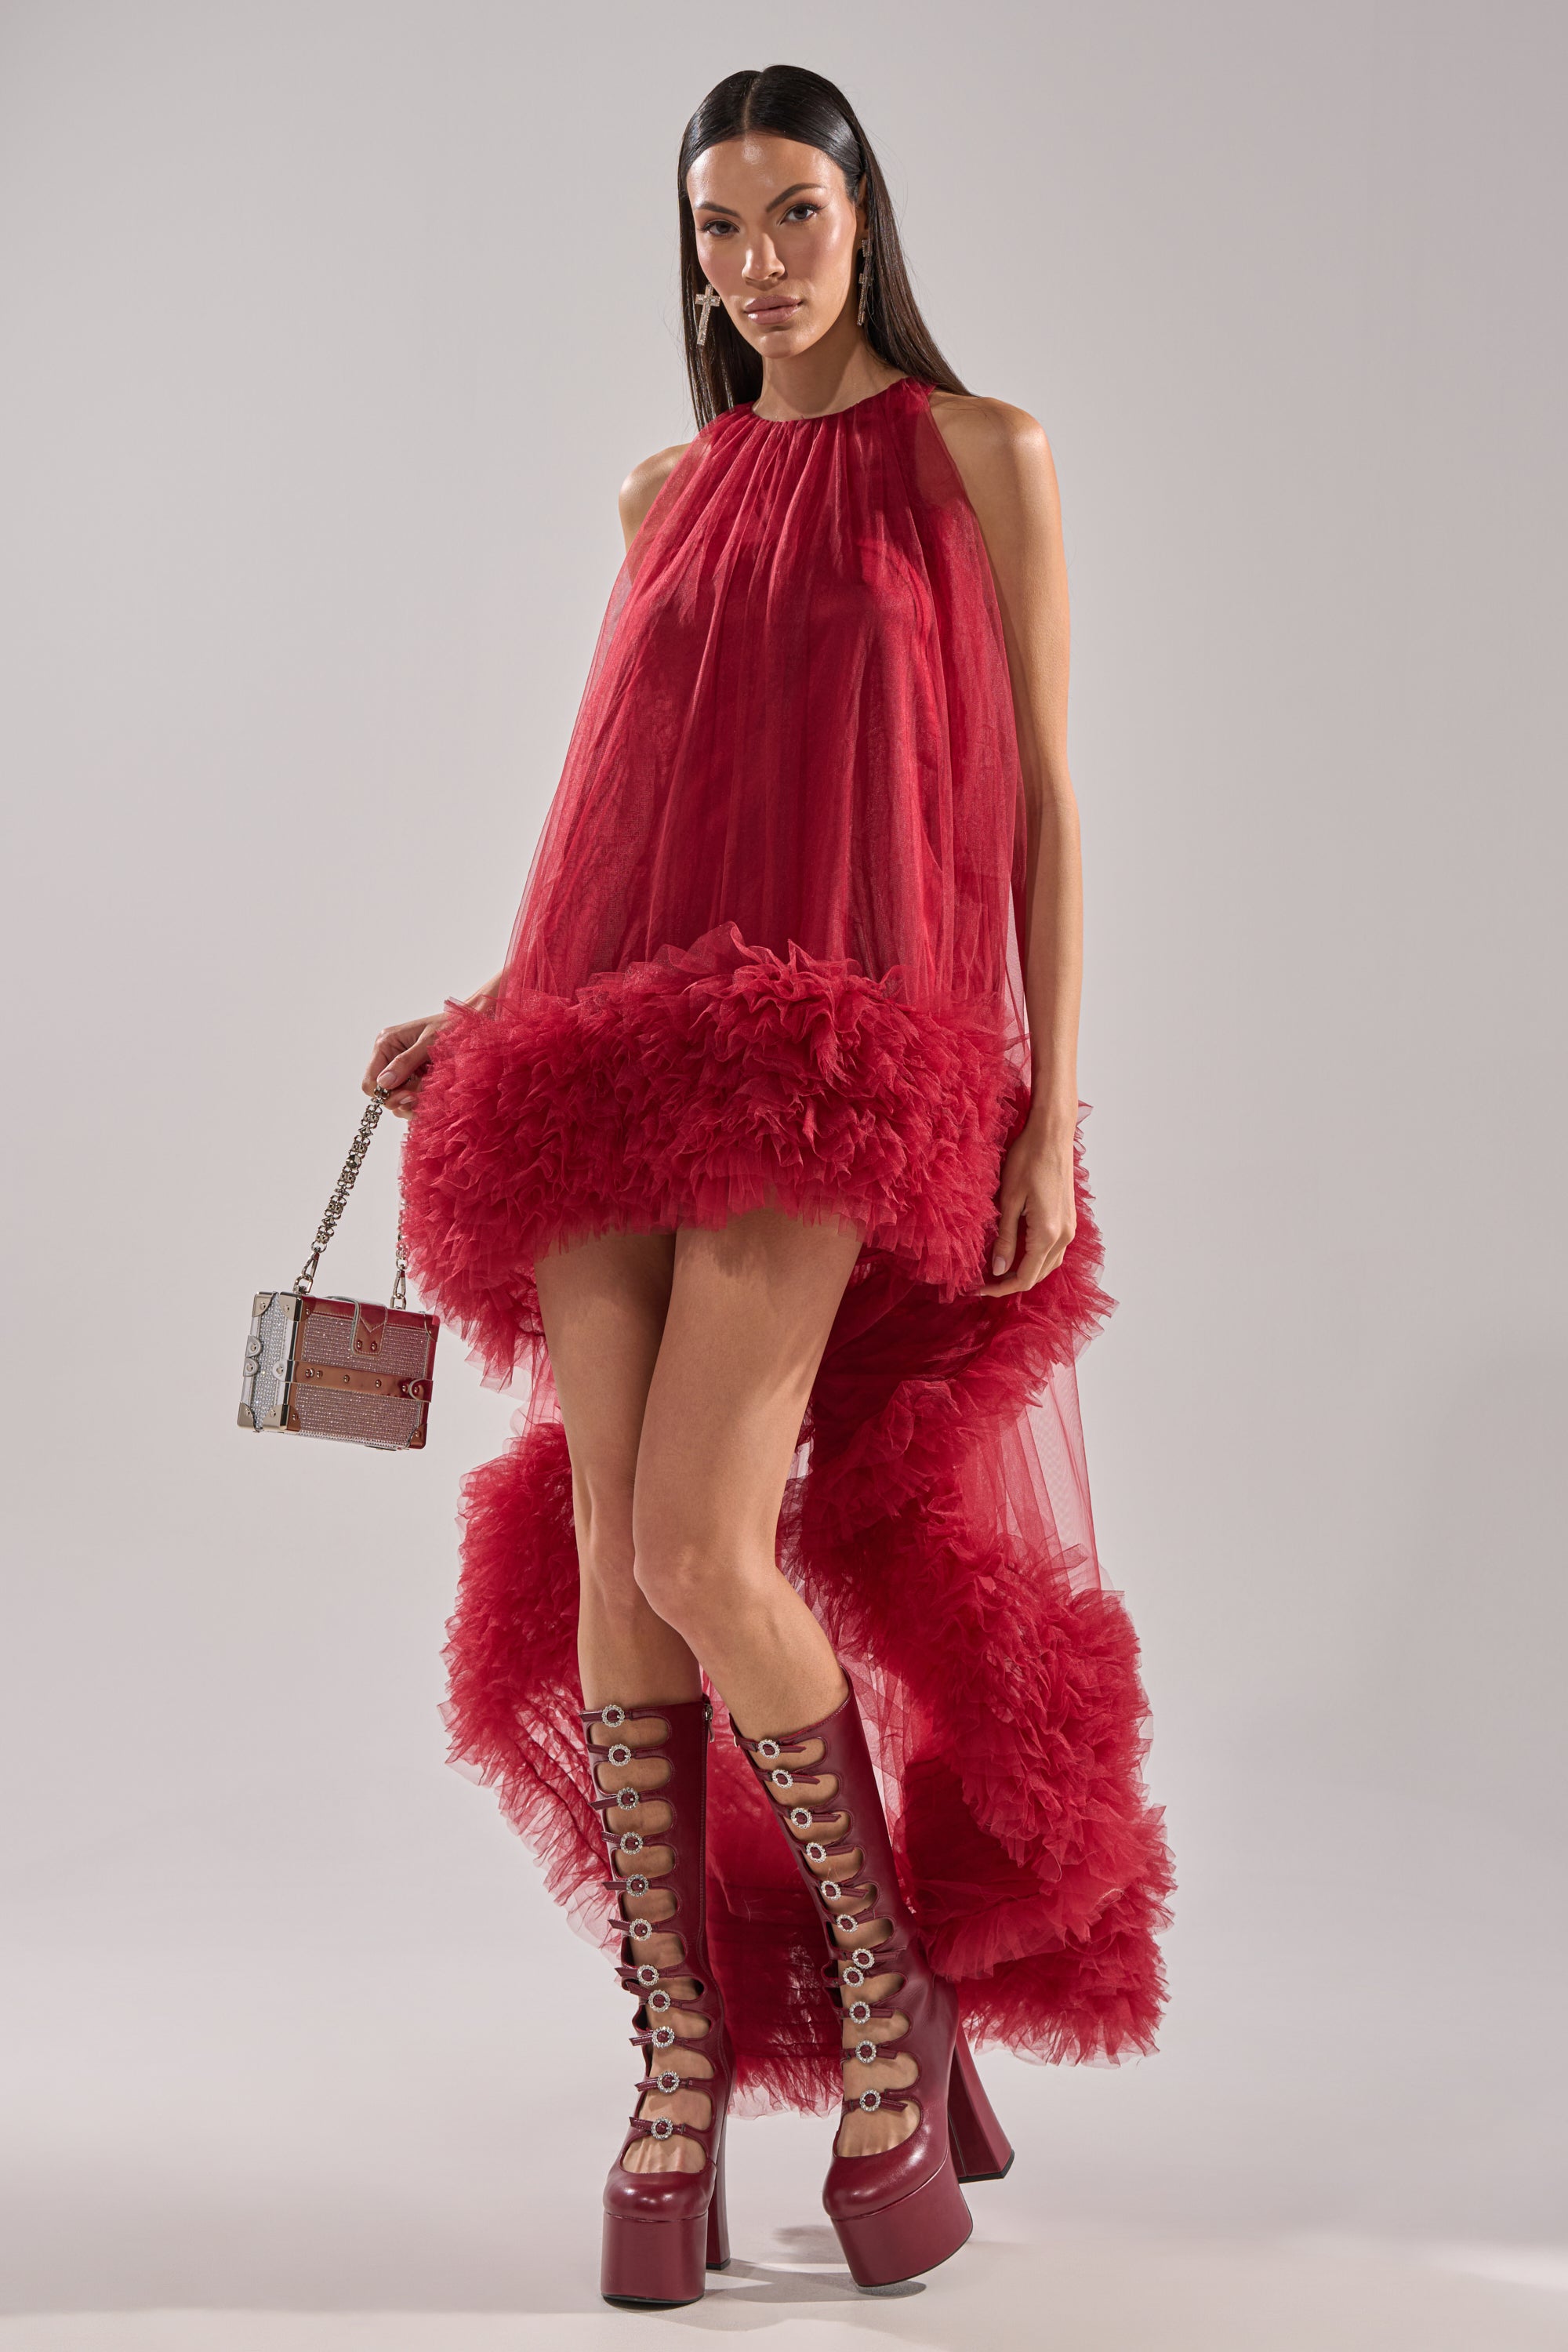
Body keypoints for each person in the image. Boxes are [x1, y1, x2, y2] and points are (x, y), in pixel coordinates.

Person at [364, 61, 1171, 2310]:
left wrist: (1045, 1097)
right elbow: (616, 794)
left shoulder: (981, 456)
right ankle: (682, 2054)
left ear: (864, 215)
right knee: (624, 1542)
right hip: (612, 1038)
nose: (758, 263)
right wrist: (495, 997)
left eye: (794, 215)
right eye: (720, 229)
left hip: (838, 1057)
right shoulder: (671, 489)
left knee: (711, 1543)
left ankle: (891, 1996)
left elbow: (1045, 814)